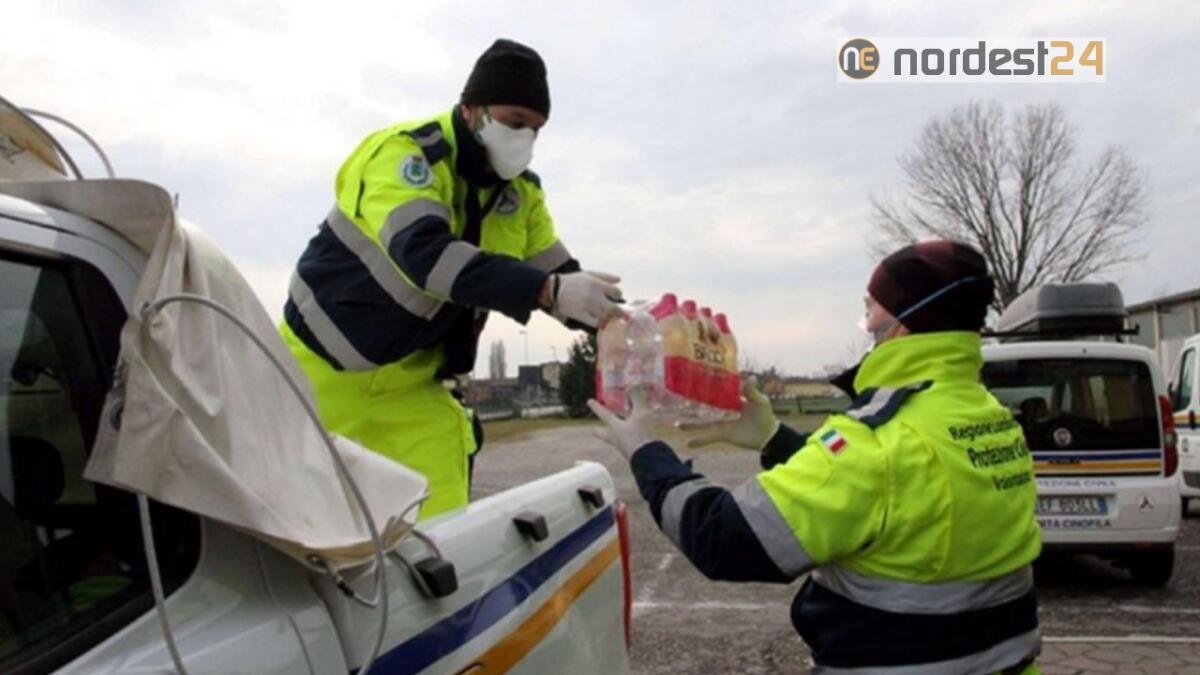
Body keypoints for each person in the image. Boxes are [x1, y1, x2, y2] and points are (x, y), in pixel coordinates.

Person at [590, 241, 1043, 674]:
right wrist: (773, 438)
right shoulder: (987, 414)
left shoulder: (881, 439)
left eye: (869, 309)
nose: (865, 323)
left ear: (902, 322)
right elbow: (889, 497)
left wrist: (647, 455)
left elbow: (727, 539)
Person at [282, 38, 624, 519]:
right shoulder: (407, 154)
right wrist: (546, 291)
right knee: (307, 542)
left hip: (419, 391)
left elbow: (564, 278)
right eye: (515, 122)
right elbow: (423, 254)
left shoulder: (522, 194)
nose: (525, 138)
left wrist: (638, 326)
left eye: (537, 129)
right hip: (318, 383)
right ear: (471, 110)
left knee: (440, 545)